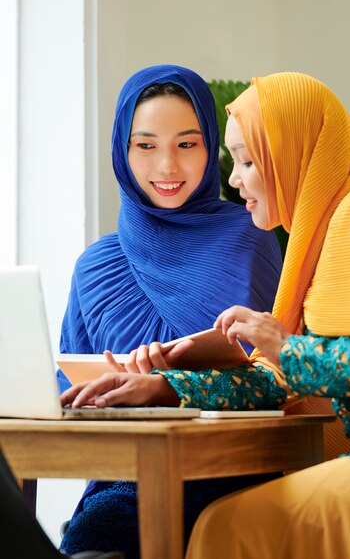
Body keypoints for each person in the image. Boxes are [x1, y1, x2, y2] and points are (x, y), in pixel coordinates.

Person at [62, 71, 350, 559]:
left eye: (249, 161)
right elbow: (276, 379)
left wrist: (282, 346)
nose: (233, 177)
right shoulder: (314, 247)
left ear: (293, 156)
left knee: (225, 526)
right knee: (172, 526)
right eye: (144, 146)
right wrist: (168, 386)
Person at [58, 65, 282, 559]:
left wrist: (165, 384)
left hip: (228, 466)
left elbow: (275, 377)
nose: (167, 167)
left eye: (186, 144)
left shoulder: (249, 236)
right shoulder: (95, 266)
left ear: (211, 147)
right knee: (96, 530)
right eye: (145, 146)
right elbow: (67, 395)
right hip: (125, 474)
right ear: (122, 150)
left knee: (105, 533)